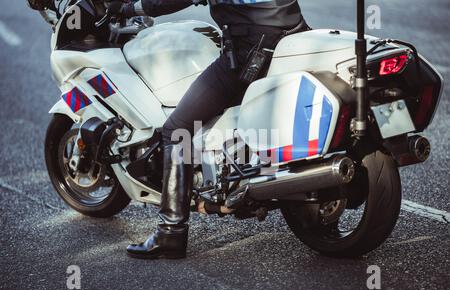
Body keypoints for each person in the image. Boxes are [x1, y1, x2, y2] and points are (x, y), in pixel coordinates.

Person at [28, 0, 309, 259]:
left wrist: (131, 7)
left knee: (177, 129)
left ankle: (170, 232)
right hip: (294, 36)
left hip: (251, 46)